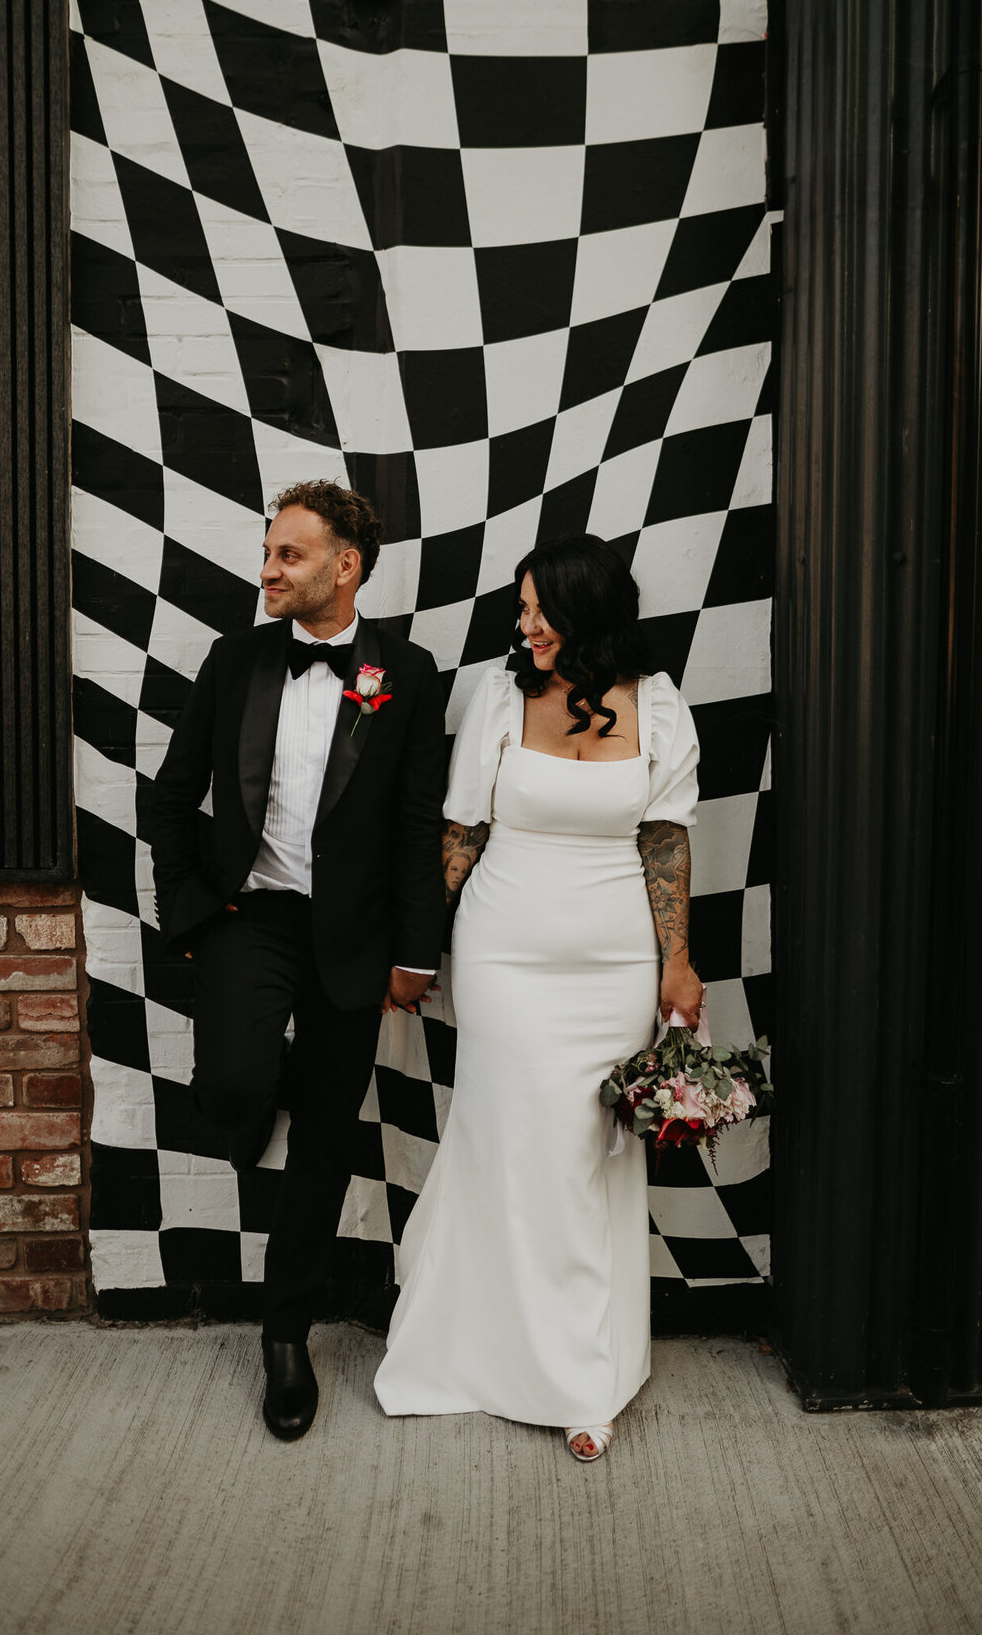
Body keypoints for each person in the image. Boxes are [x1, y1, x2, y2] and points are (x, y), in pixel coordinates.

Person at [374, 532, 703, 1463]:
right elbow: (460, 831)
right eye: (520, 610)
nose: (525, 626)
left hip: (612, 967)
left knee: (583, 1156)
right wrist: (417, 948)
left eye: (539, 609)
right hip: (504, 958)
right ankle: (481, 1349)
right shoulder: (499, 695)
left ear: (588, 609)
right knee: (506, 1141)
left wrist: (676, 962)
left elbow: (665, 841)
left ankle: (584, 1373)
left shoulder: (659, 704)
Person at [149, 480, 447, 1442]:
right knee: (233, 1088)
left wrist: (416, 954)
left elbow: (414, 823)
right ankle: (255, 1082)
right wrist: (189, 909)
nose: (268, 569)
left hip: (355, 937)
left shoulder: (407, 670)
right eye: (270, 551)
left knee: (325, 1136)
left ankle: (286, 1337)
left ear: (345, 566)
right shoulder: (236, 660)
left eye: (290, 554)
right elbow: (172, 793)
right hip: (251, 915)